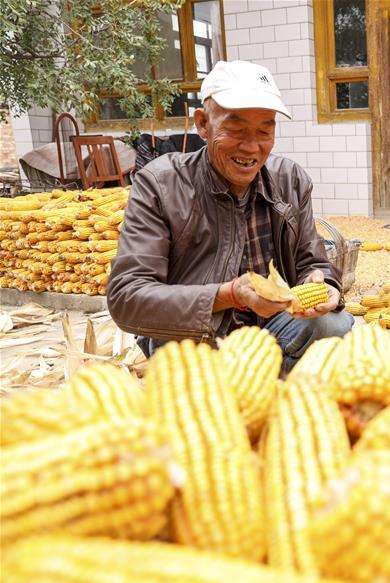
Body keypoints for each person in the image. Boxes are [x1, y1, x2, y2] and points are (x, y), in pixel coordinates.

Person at [107, 60, 354, 375]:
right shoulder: (160, 184)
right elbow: (128, 297)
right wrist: (231, 294)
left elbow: (312, 262)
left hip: (273, 328)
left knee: (333, 326)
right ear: (202, 124)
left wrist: (324, 284)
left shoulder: (291, 181)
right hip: (196, 333)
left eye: (265, 129)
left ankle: (262, 385)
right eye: (236, 129)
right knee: (186, 361)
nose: (252, 147)